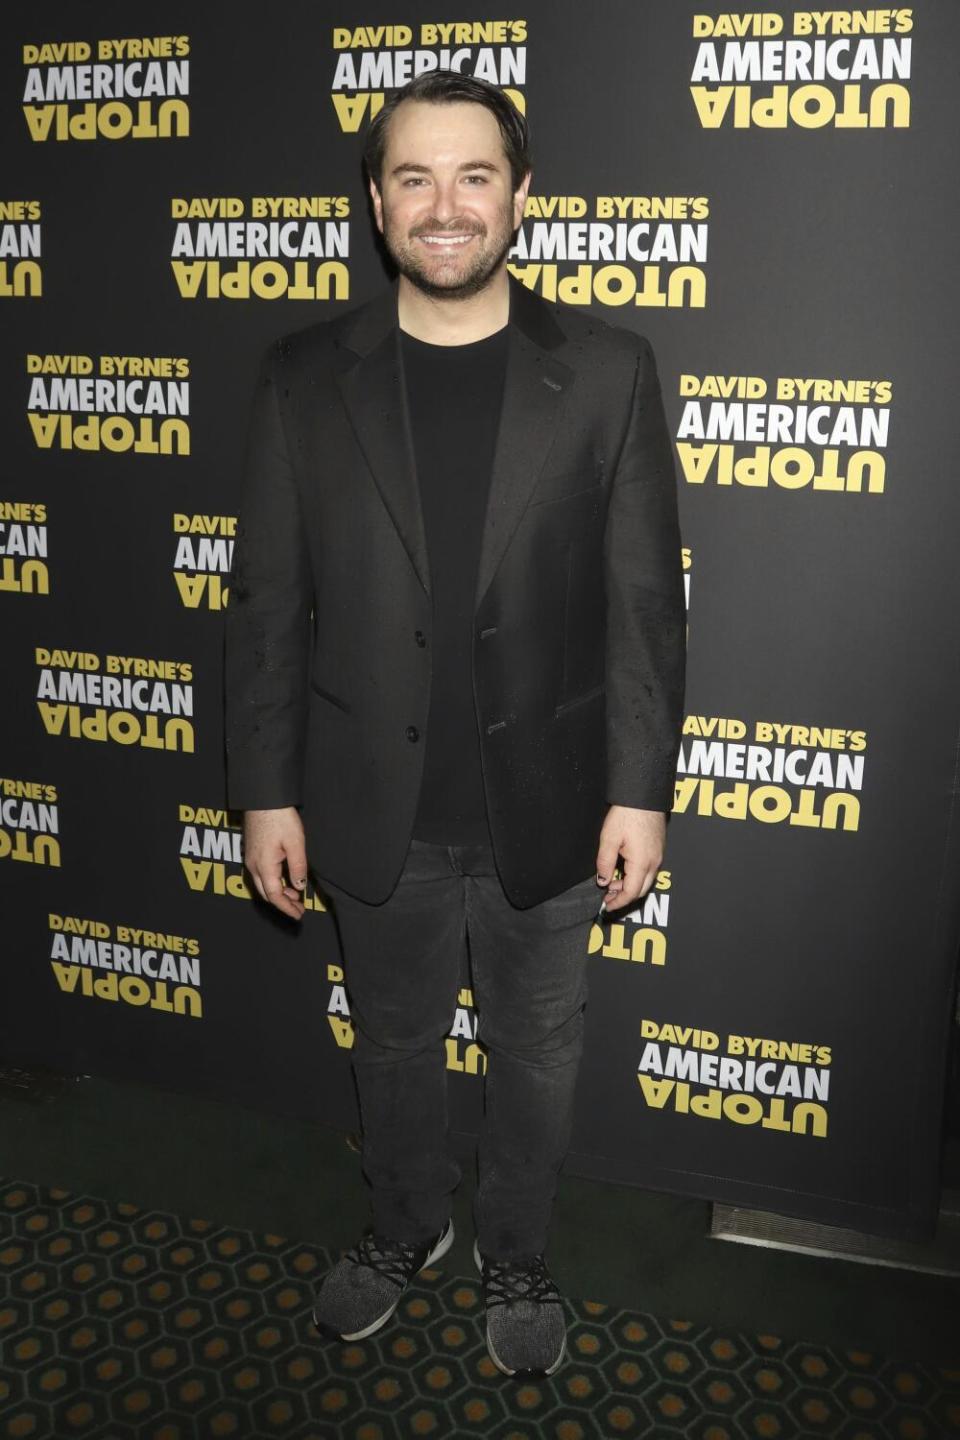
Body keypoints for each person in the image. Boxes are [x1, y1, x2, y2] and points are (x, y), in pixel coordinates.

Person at [223, 70, 686, 1380]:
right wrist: (264, 790)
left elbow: (645, 607)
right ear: (376, 204)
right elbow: (266, 605)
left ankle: (519, 1249)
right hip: (371, 808)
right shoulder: (301, 378)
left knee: (539, 1054)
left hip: (551, 805)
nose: (445, 205)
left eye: (474, 175)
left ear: (521, 195)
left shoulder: (606, 373)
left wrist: (640, 791)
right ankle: (403, 1226)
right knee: (394, 1046)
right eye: (414, 177)